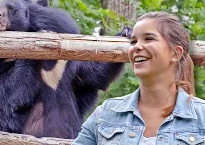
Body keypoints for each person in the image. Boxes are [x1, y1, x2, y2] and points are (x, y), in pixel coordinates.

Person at [72, 12, 205, 145]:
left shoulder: (202, 117)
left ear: (176, 53)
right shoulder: (105, 114)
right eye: (133, 41)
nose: (136, 47)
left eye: (148, 39)